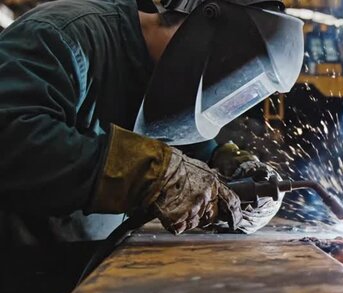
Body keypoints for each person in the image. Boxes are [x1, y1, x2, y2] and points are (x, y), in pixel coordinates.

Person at [0, 0, 304, 245]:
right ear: (204, 26)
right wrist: (151, 174)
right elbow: (12, 140)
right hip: (19, 281)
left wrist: (228, 170)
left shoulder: (167, 83)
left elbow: (176, 149)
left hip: (85, 275)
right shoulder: (59, 36)